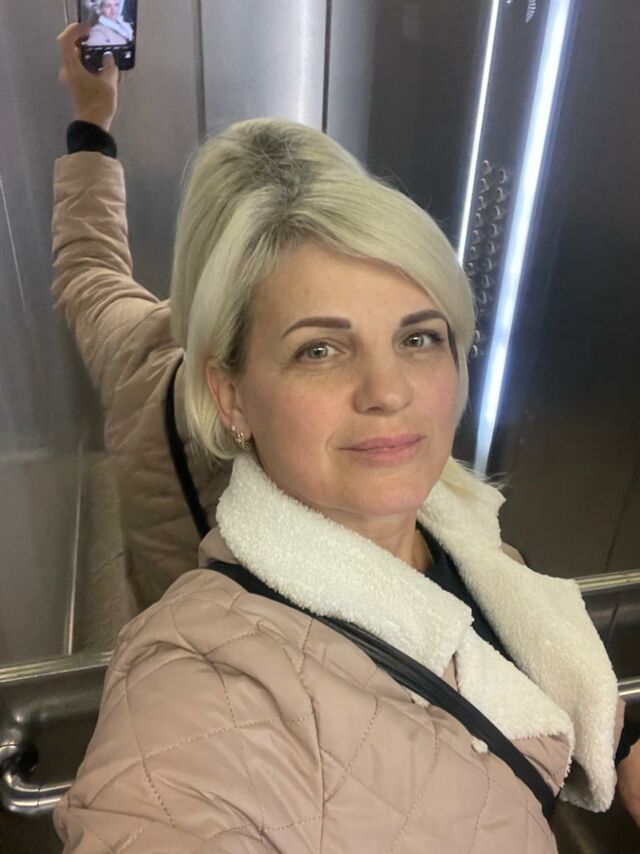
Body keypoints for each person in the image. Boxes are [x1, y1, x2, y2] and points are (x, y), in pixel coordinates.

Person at [53, 33, 640, 854]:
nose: (387, 393)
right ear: (228, 391)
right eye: (317, 348)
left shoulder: (432, 509)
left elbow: (87, 264)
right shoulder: (194, 693)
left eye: (418, 337)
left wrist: (92, 124)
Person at [55, 23, 359, 608]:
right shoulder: (362, 416)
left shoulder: (139, 354)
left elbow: (88, 265)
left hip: (173, 620)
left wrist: (92, 122)